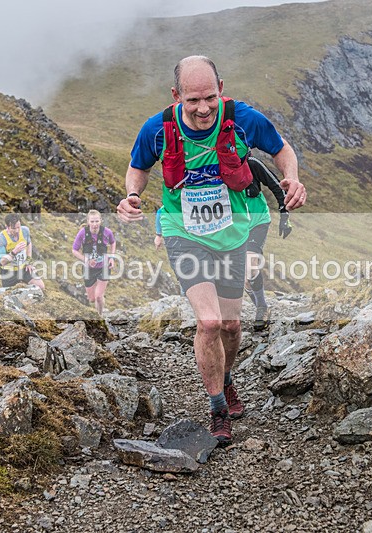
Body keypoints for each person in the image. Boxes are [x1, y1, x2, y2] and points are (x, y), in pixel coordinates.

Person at [117, 55, 306, 445]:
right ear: (176, 96)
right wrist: (131, 195)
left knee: (232, 326)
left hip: (234, 233)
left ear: (220, 88)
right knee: (209, 322)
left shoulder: (243, 118)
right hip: (183, 232)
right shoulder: (157, 129)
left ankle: (226, 376)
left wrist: (292, 179)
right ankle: (218, 408)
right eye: (192, 100)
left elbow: (281, 148)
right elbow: (138, 167)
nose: (203, 109)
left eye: (210, 97)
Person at [243, 155, 293, 331]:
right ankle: (261, 306)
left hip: (258, 222)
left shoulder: (252, 163)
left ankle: (262, 308)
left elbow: (276, 185)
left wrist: (284, 215)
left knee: (250, 266)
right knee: (243, 276)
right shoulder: (214, 164)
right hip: (232, 228)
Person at [71, 210, 116, 315]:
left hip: (104, 266)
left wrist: (112, 257)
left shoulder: (107, 232)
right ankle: (97, 297)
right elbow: (74, 250)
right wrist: (86, 260)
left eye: (97, 221)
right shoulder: (82, 233)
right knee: (92, 299)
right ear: (88, 222)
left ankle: (100, 316)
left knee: (99, 297)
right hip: (88, 269)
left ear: (101, 220)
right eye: (92, 221)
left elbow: (113, 242)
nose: (95, 224)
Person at [0, 213, 45, 290]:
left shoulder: (25, 230)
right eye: (14, 228)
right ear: (7, 227)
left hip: (24, 268)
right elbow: (2, 262)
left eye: (19, 227)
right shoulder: (0, 239)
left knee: (41, 286)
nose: (17, 230)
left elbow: (29, 244)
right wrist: (14, 252)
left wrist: (29, 262)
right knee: (10, 296)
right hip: (9, 272)